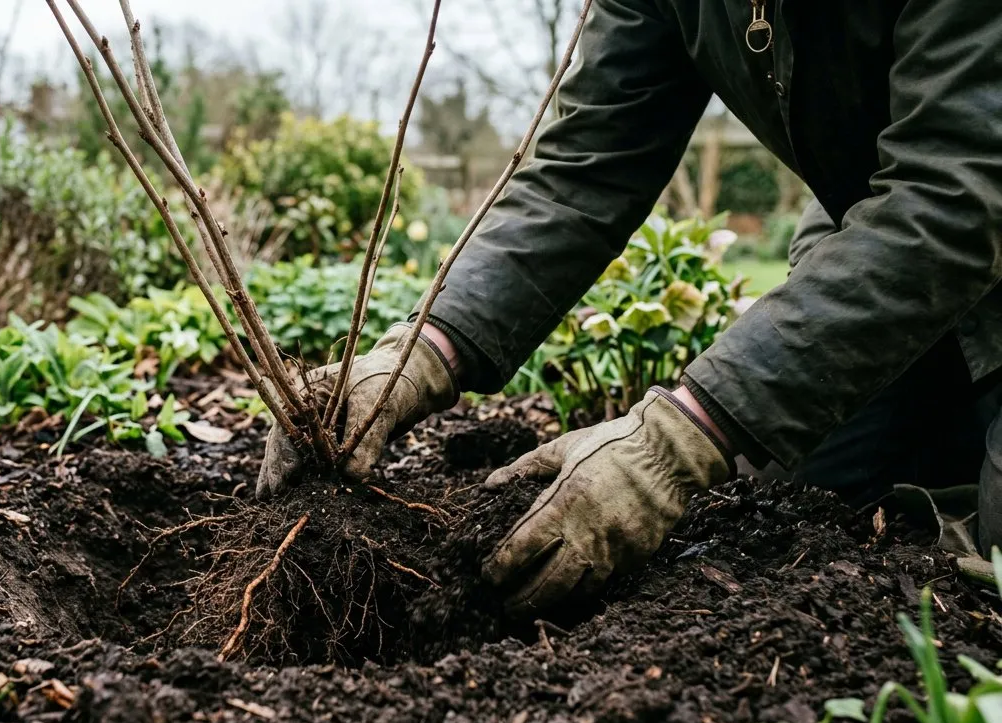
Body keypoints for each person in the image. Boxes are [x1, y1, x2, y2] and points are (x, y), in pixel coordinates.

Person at [257, 0, 1002, 615]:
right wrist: (417, 353)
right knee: (798, 515)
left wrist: (681, 435)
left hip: (950, 222)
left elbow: (953, 198)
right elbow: (582, 171)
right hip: (891, 260)